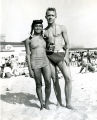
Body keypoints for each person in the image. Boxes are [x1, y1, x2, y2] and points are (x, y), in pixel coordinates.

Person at [44, 7, 73, 109]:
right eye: (48, 15)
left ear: (55, 16)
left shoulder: (62, 28)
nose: (50, 17)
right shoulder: (44, 31)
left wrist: (67, 55)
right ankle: (59, 102)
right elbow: (42, 46)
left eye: (52, 15)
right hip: (50, 57)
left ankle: (68, 103)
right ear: (46, 17)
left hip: (61, 55)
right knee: (55, 80)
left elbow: (68, 43)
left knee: (68, 78)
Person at [24, 20, 51, 110]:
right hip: (35, 63)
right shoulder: (28, 40)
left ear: (42, 27)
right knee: (38, 84)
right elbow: (28, 54)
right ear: (33, 27)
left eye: (40, 26)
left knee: (48, 83)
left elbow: (49, 50)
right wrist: (29, 69)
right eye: (36, 26)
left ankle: (46, 103)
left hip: (45, 62)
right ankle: (41, 104)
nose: (38, 27)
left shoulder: (45, 38)